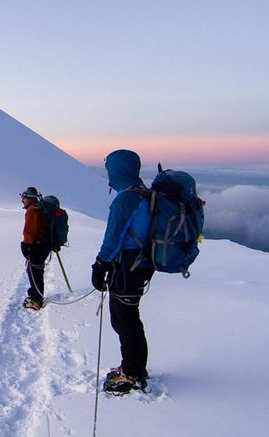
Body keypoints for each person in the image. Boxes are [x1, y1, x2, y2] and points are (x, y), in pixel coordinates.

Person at [91, 149, 155, 393]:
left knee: (124, 320)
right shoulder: (145, 193)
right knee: (129, 319)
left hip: (128, 266)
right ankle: (134, 367)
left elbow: (114, 237)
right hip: (142, 264)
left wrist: (100, 264)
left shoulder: (126, 199)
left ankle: (132, 373)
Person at [20, 187, 51, 310]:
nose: (22, 200)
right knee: (35, 270)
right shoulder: (39, 208)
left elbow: (29, 231)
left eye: (23, 198)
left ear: (29, 198)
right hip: (43, 245)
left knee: (35, 272)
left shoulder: (32, 211)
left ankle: (36, 300)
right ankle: (35, 295)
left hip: (37, 245)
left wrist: (26, 246)